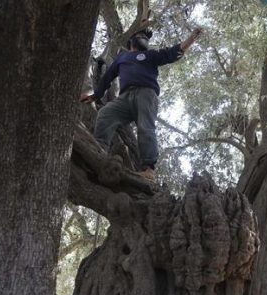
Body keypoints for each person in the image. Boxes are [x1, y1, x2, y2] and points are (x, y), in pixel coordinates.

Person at [81, 27, 202, 181]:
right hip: (124, 97)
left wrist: (191, 39)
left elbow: (172, 53)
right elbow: (107, 78)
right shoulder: (122, 57)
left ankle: (148, 170)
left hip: (146, 93)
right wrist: (95, 95)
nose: (144, 38)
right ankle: (99, 151)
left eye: (147, 37)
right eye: (141, 35)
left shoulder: (150, 55)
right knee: (105, 113)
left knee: (146, 127)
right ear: (131, 40)